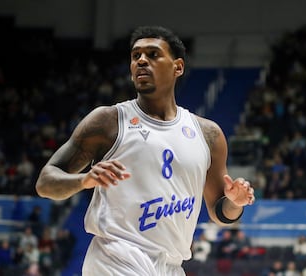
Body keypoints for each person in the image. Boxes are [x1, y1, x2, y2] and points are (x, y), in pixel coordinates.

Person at [35, 25, 255, 276]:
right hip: (115, 257)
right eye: (135, 55)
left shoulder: (209, 135)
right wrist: (83, 180)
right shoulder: (108, 121)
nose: (141, 60)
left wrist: (236, 203)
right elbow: (45, 183)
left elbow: (220, 212)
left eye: (152, 54)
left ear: (178, 67)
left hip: (171, 265)